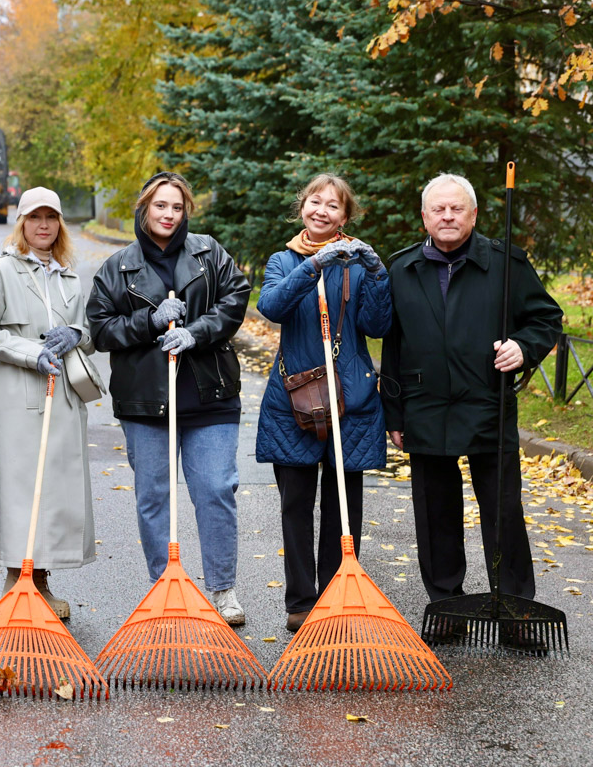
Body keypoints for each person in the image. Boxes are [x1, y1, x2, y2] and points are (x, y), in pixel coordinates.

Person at [381, 173, 562, 650]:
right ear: (424, 216)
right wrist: (393, 412)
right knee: (435, 512)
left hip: (488, 403)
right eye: (437, 209)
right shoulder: (402, 269)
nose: (446, 216)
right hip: (424, 406)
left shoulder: (506, 265)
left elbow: (546, 318)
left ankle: (518, 609)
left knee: (503, 510)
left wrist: (524, 348)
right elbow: (392, 346)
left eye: (456, 209)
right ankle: (448, 605)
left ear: (474, 214)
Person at [87, 171, 251, 625]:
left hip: (209, 395)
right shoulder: (118, 266)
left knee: (216, 489)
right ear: (145, 207)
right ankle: (165, 588)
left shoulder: (208, 252)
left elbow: (237, 296)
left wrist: (196, 333)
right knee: (154, 497)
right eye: (161, 205)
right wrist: (150, 320)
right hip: (145, 402)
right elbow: (100, 330)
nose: (168, 214)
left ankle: (223, 590)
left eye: (177, 207)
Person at [254, 174, 391, 633]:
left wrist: (375, 272)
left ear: (344, 218)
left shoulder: (356, 264)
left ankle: (336, 598)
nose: (323, 211)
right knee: (296, 505)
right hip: (294, 399)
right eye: (316, 202)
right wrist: (313, 267)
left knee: (343, 505)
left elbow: (376, 324)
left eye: (334, 206)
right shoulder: (282, 259)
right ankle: (300, 603)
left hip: (350, 399)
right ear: (302, 208)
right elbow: (271, 306)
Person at [0, 187, 98, 619]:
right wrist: (30, 353)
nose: (43, 225)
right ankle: (15, 580)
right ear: (21, 223)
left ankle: (40, 581)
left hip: (62, 393)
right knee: (21, 486)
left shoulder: (69, 276)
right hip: (18, 392)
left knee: (54, 488)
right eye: (34, 217)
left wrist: (77, 334)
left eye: (51, 217)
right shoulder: (1, 271)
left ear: (59, 224)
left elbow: (88, 330)